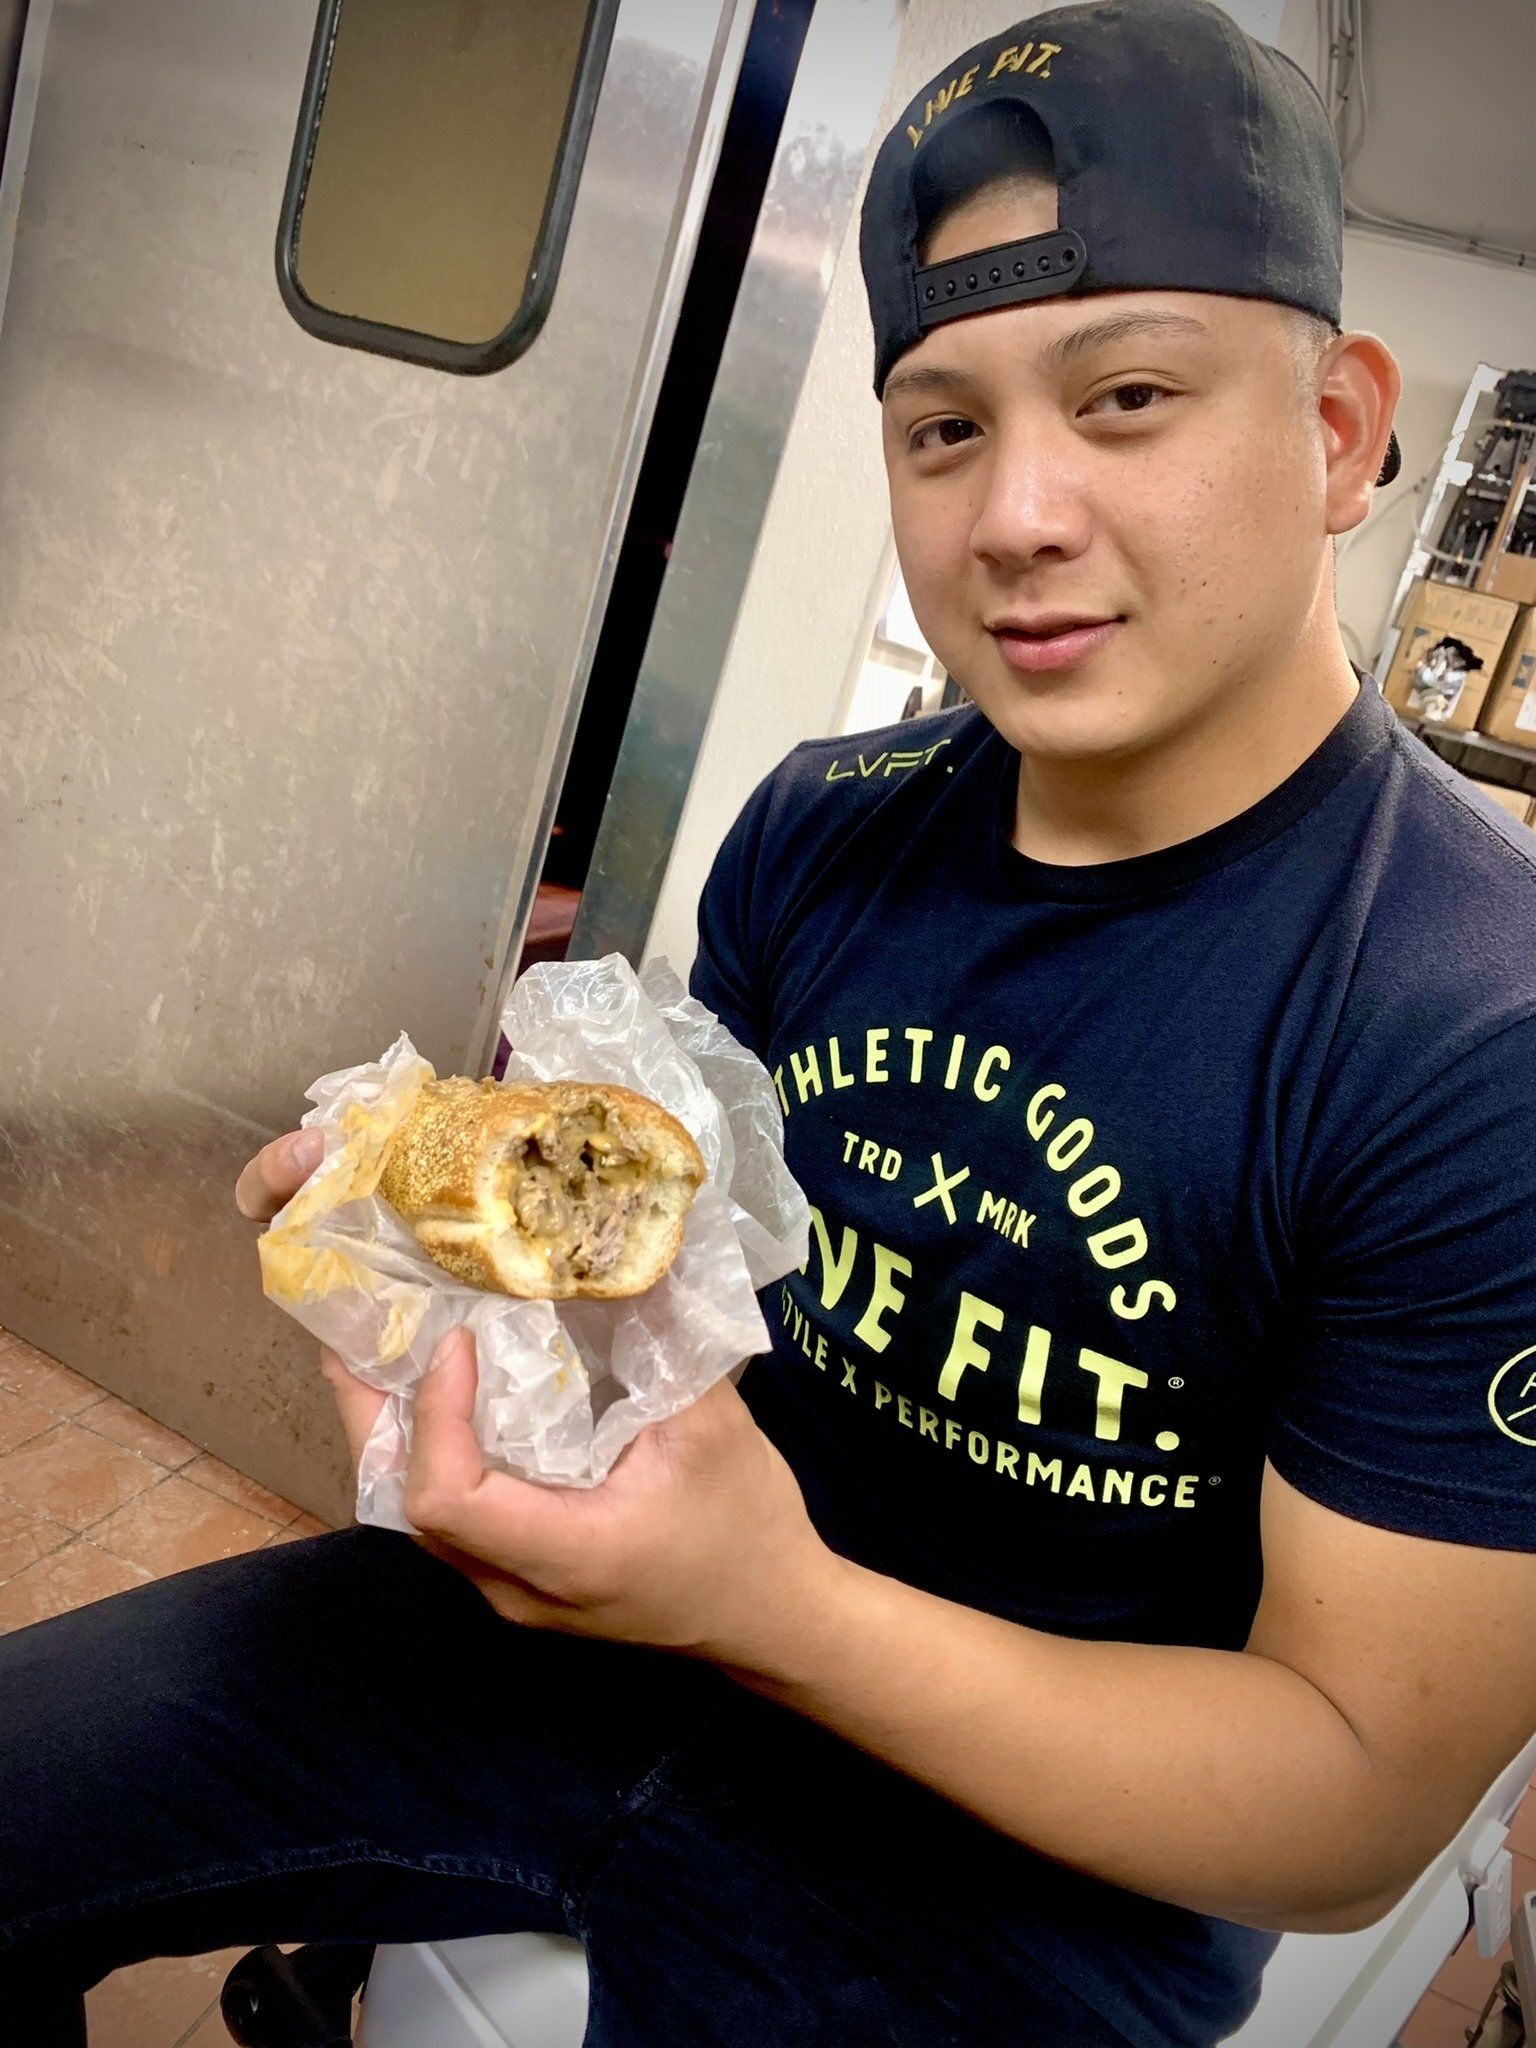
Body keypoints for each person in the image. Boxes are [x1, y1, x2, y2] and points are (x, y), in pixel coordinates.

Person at [4, 3, 1535, 2044]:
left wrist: (771, 1607)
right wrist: (439, 1237)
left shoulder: (1465, 1032)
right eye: (944, 426)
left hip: (1029, 1878)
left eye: (1130, 396)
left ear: (1344, 433)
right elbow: (679, 1276)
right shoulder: (830, 827)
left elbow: (1351, 1794)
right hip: (612, 1649)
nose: (1017, 515)